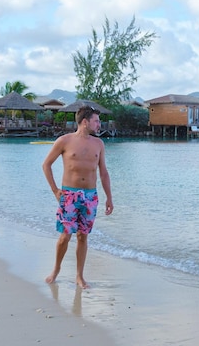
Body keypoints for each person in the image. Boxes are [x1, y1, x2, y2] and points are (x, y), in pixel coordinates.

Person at [42, 105, 113, 289]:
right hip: (69, 195)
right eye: (96, 120)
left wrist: (109, 198)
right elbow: (46, 165)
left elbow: (104, 173)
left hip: (90, 196)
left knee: (83, 237)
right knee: (65, 236)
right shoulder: (64, 141)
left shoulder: (99, 144)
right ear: (85, 121)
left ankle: (79, 277)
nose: (99, 124)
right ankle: (56, 270)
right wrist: (55, 190)